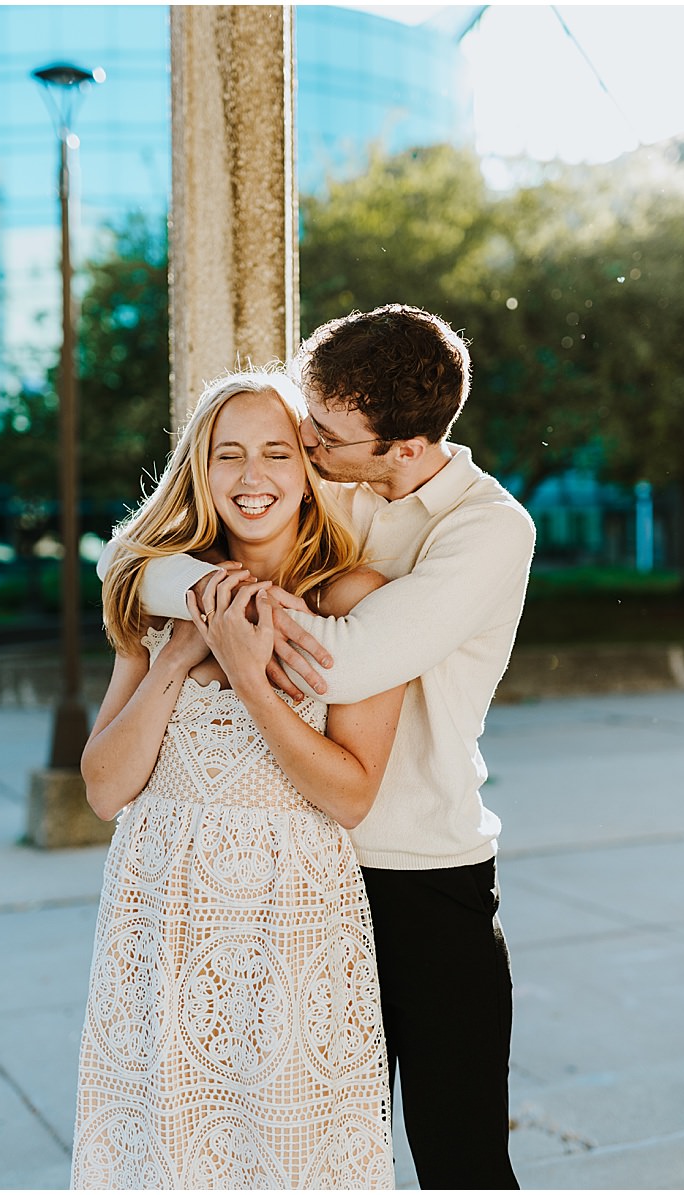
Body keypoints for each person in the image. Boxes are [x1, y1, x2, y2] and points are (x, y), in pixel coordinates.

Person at [99, 304, 536, 1190]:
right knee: (315, 1150)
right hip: (299, 879)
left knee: (461, 1158)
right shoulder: (336, 472)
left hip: (421, 871)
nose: (303, 443)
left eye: (322, 434)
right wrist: (196, 603)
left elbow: (348, 661)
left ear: (400, 448)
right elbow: (141, 555)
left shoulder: (488, 530)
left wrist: (219, 625)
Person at [72, 368, 406, 1191]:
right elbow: (106, 789)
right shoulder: (160, 594)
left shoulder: (356, 601)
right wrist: (181, 654)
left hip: (290, 922)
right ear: (200, 468)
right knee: (167, 1155)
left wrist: (253, 679)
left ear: (308, 468)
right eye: (228, 455)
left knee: (291, 1155)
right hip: (163, 918)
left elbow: (350, 794)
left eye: (276, 454)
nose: (252, 479)